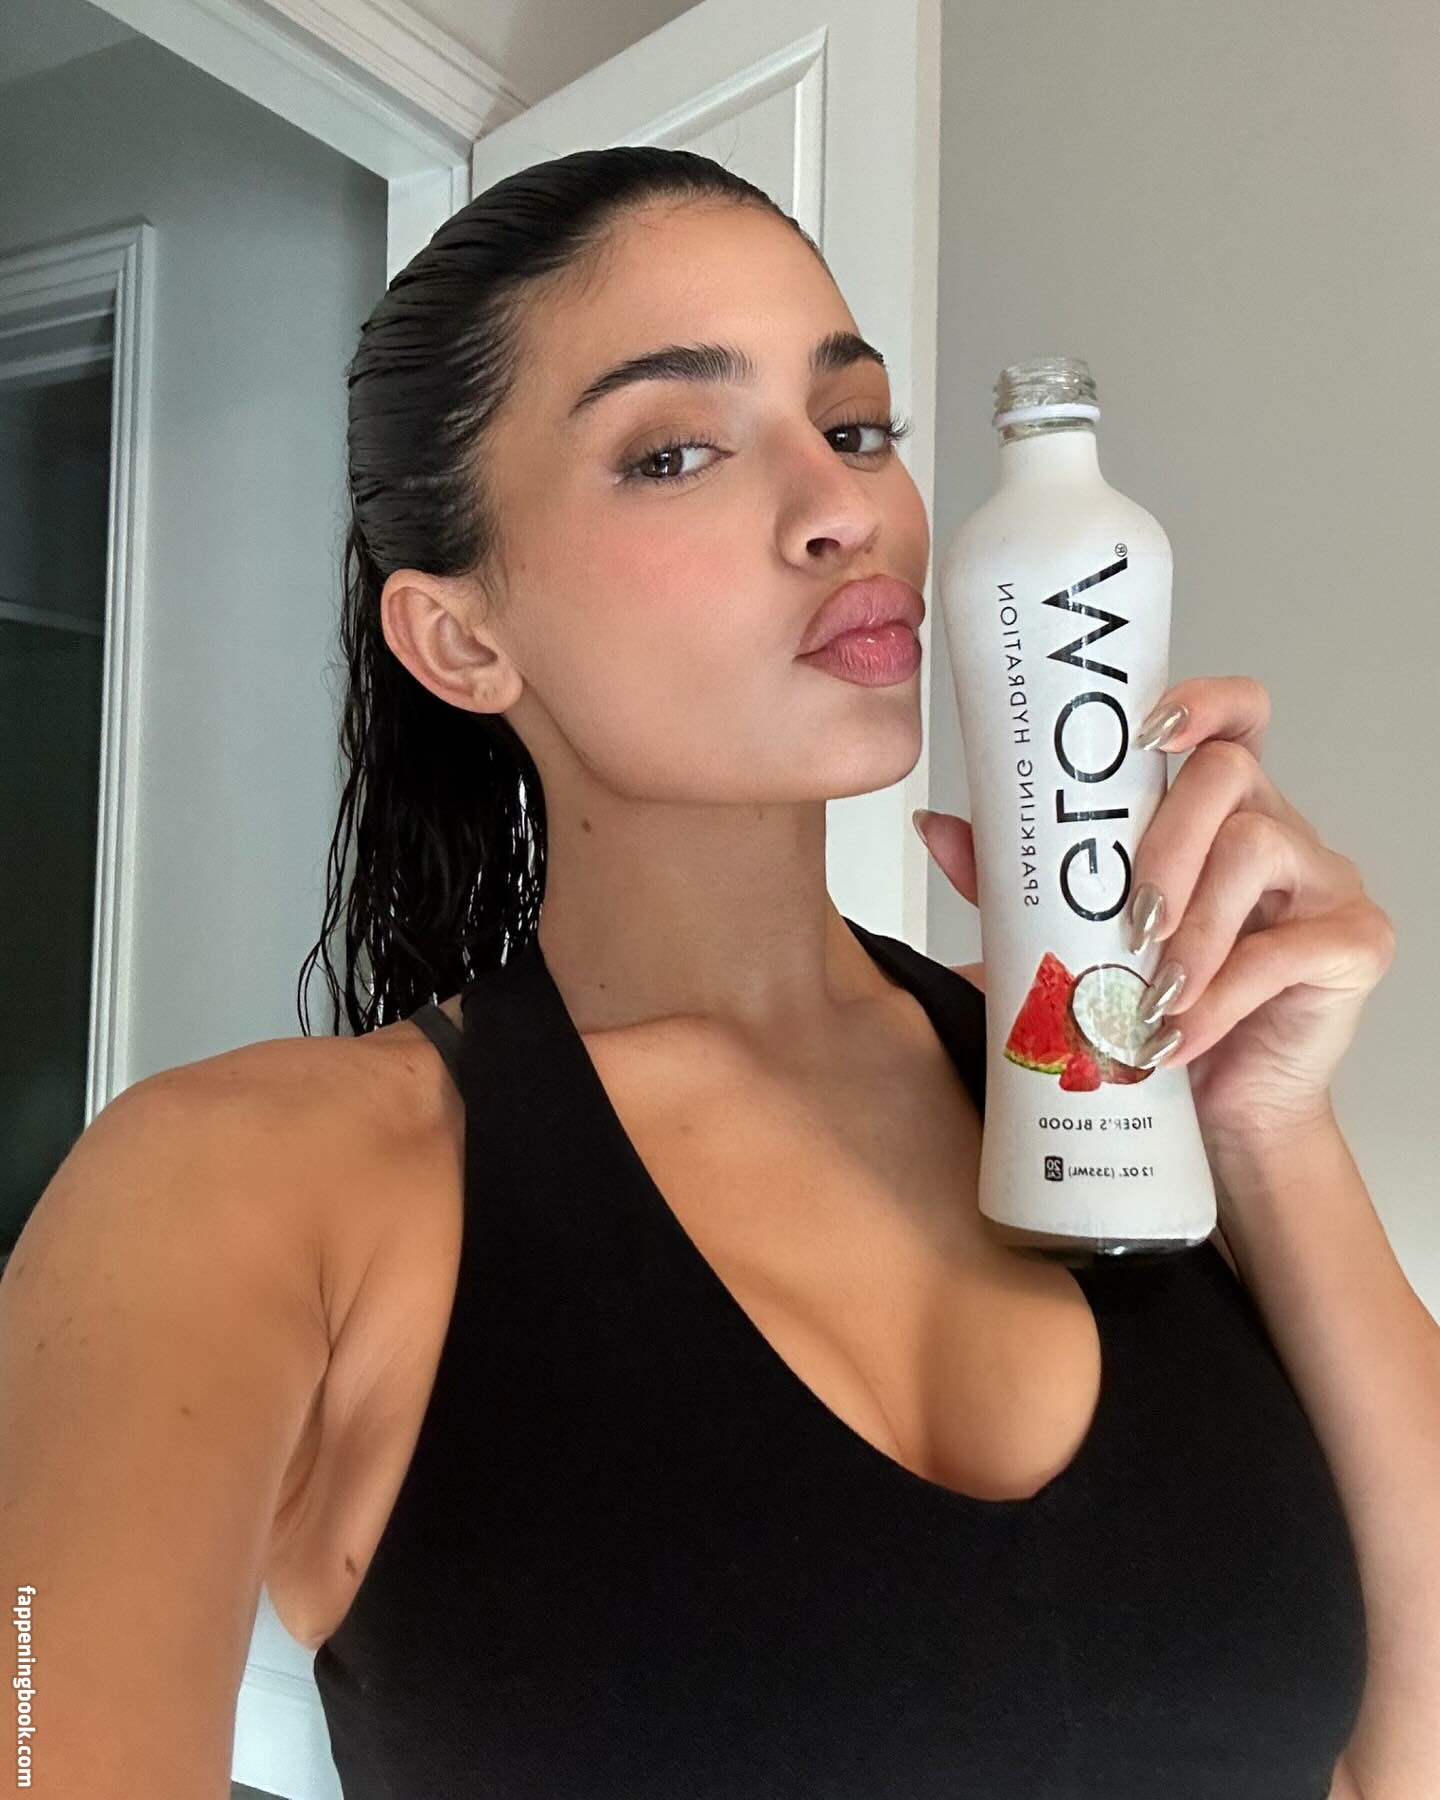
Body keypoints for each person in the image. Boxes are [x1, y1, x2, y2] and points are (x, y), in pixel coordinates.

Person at [5, 145, 1415, 1799]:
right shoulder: (247, 1184)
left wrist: (1268, 1127)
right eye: (674, 451)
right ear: (462, 639)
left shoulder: (1109, 1101)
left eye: (856, 425)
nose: (843, 508)